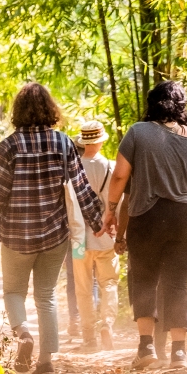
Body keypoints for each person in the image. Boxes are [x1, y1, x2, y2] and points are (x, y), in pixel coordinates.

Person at [0, 83, 104, 374]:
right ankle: (46, 361)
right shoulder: (64, 143)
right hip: (54, 234)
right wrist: (98, 221)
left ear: (18, 111)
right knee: (46, 295)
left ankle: (24, 334)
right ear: (51, 110)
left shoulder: (8, 146)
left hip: (16, 235)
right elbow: (81, 188)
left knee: (14, 291)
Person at [101, 81, 187, 371]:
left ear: (152, 104)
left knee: (144, 278)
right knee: (177, 282)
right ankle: (179, 353)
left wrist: (110, 211)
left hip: (147, 216)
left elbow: (120, 177)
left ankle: (146, 348)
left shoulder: (137, 132)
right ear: (182, 106)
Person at [72, 120, 119, 351]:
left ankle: (88, 336)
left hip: (79, 238)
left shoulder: (73, 169)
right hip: (105, 236)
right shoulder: (111, 167)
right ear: (101, 141)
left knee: (82, 287)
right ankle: (107, 325)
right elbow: (115, 203)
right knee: (108, 282)